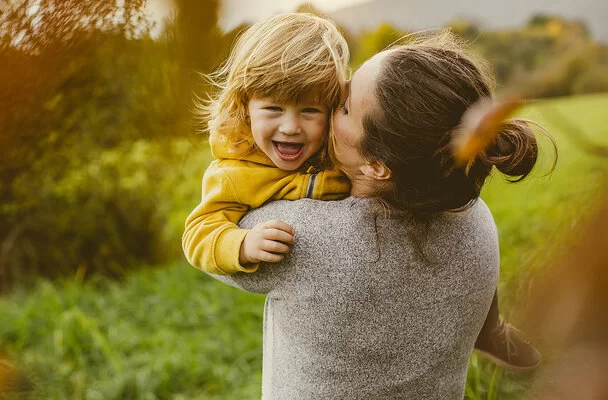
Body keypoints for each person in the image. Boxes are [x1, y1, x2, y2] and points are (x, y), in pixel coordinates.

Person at [207, 31, 555, 399]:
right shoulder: (476, 218)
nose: (331, 95)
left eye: (343, 107)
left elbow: (215, 233)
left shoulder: (298, 236)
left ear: (376, 165)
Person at [182, 13, 351, 276]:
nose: (291, 127)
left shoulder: (341, 149)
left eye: (309, 111)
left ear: (331, 110)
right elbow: (198, 233)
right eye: (273, 109)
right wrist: (242, 245)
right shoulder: (234, 172)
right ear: (245, 107)